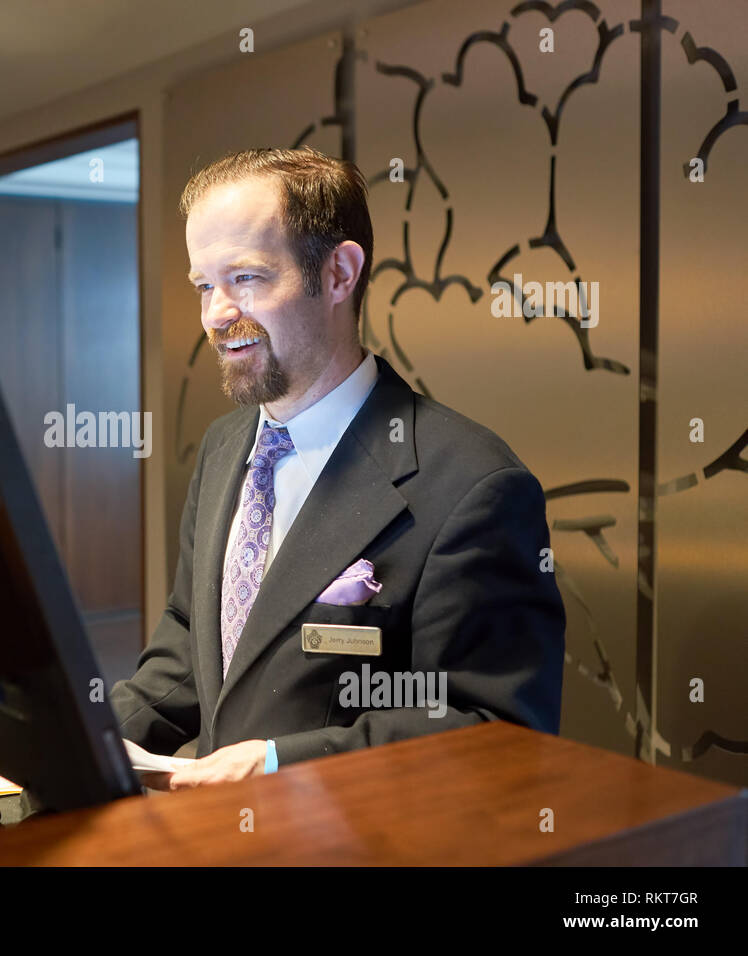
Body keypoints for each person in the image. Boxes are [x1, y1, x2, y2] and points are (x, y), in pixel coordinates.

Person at [110, 147, 565, 789]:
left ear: (339, 273)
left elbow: (495, 729)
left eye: (245, 278)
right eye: (204, 285)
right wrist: (88, 738)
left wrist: (275, 764)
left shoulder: (474, 485)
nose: (215, 315)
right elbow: (194, 644)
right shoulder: (223, 448)